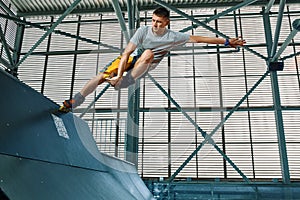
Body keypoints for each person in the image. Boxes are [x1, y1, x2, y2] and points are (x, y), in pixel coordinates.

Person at [60, 7, 246, 111]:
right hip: (131, 59)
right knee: (101, 76)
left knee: (148, 53)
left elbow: (199, 39)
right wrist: (116, 75)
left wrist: (227, 41)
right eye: (153, 21)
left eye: (159, 22)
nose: (155, 25)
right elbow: (126, 53)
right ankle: (76, 100)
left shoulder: (173, 36)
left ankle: (127, 80)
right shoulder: (142, 31)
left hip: (144, 65)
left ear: (167, 23)